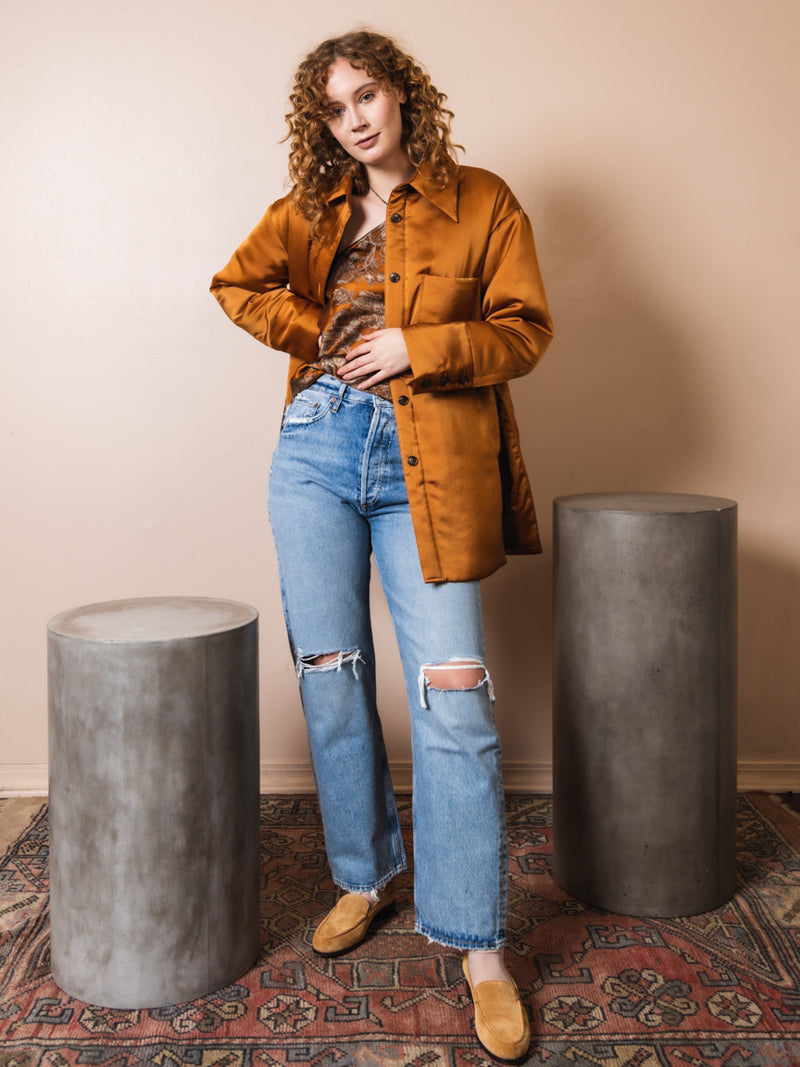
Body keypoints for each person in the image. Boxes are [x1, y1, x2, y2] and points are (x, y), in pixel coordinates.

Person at [210, 29, 552, 1063]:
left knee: (454, 694)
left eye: (367, 94)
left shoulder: (482, 201)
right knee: (329, 672)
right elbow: (236, 284)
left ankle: (479, 944)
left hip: (428, 458)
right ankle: (365, 876)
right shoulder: (311, 209)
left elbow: (524, 330)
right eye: (334, 107)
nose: (355, 118)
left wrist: (417, 346)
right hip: (315, 449)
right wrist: (319, 335)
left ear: (403, 95)